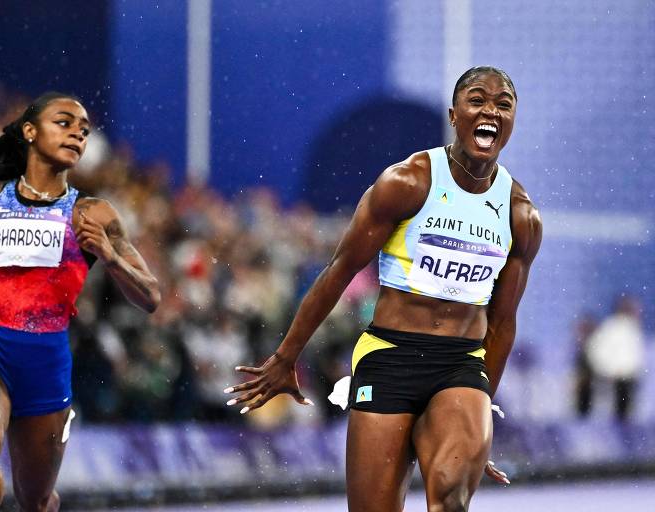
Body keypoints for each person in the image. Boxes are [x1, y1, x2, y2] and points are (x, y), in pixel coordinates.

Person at [226, 66, 542, 511]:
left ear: (512, 121)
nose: (490, 109)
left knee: (451, 494)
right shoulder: (407, 183)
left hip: (460, 366)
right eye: (477, 100)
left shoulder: (520, 216)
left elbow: (503, 322)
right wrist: (285, 357)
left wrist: (479, 418)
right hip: (388, 357)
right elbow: (337, 272)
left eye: (503, 104)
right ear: (454, 115)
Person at [0, 92, 161, 511]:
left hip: (46, 363)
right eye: (65, 122)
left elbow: (151, 297)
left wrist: (110, 259)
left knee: (34, 498)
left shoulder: (93, 215)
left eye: (85, 130)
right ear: (30, 132)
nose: (77, 133)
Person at [584, 295, 645, 421]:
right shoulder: (615, 327)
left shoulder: (630, 328)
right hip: (616, 377)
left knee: (624, 411)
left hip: (626, 376)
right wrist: (609, 369)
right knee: (619, 411)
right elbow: (598, 350)